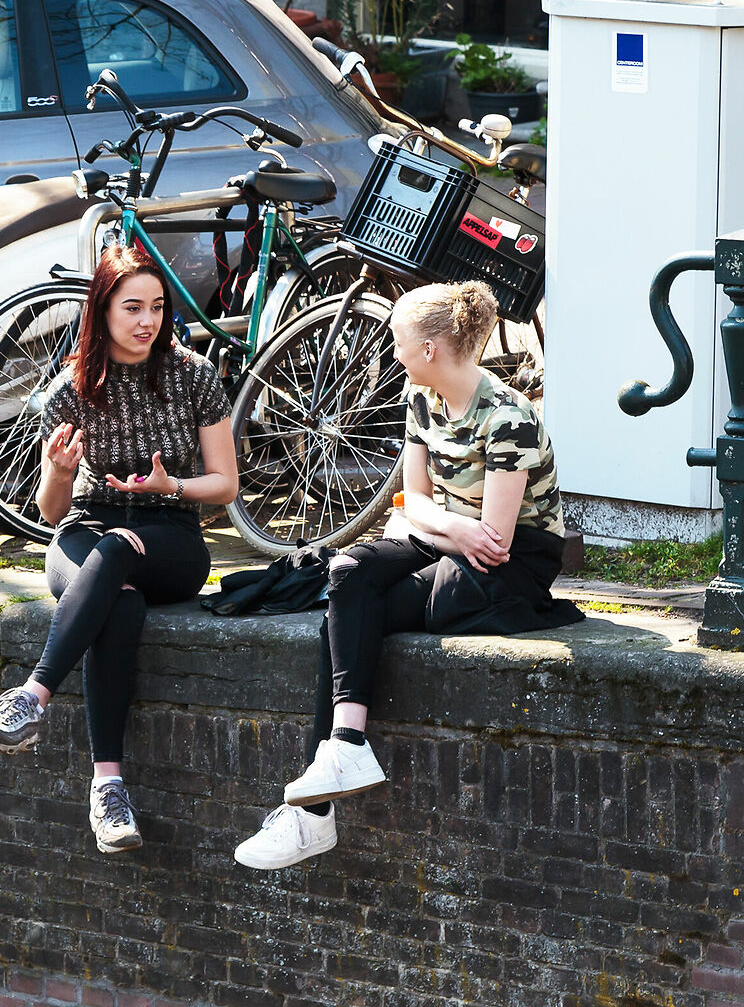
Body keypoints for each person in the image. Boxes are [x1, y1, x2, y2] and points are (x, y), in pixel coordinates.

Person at [233, 281, 580, 872]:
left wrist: (445, 528)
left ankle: (315, 814)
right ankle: (345, 750)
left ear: (429, 351)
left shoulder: (508, 419)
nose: (391, 354)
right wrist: (448, 527)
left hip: (515, 558)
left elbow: (493, 544)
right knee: (348, 574)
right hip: (447, 537)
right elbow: (412, 502)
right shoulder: (423, 403)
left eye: (396, 343)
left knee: (350, 622)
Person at [0, 245, 237, 854]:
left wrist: (173, 485)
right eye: (133, 307)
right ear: (103, 309)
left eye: (157, 308)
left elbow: (224, 483)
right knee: (117, 601)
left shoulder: (193, 375)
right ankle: (108, 790)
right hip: (86, 531)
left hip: (170, 532)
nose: (148, 321)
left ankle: (32, 696)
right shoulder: (72, 387)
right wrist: (61, 472)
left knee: (123, 549)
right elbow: (51, 512)